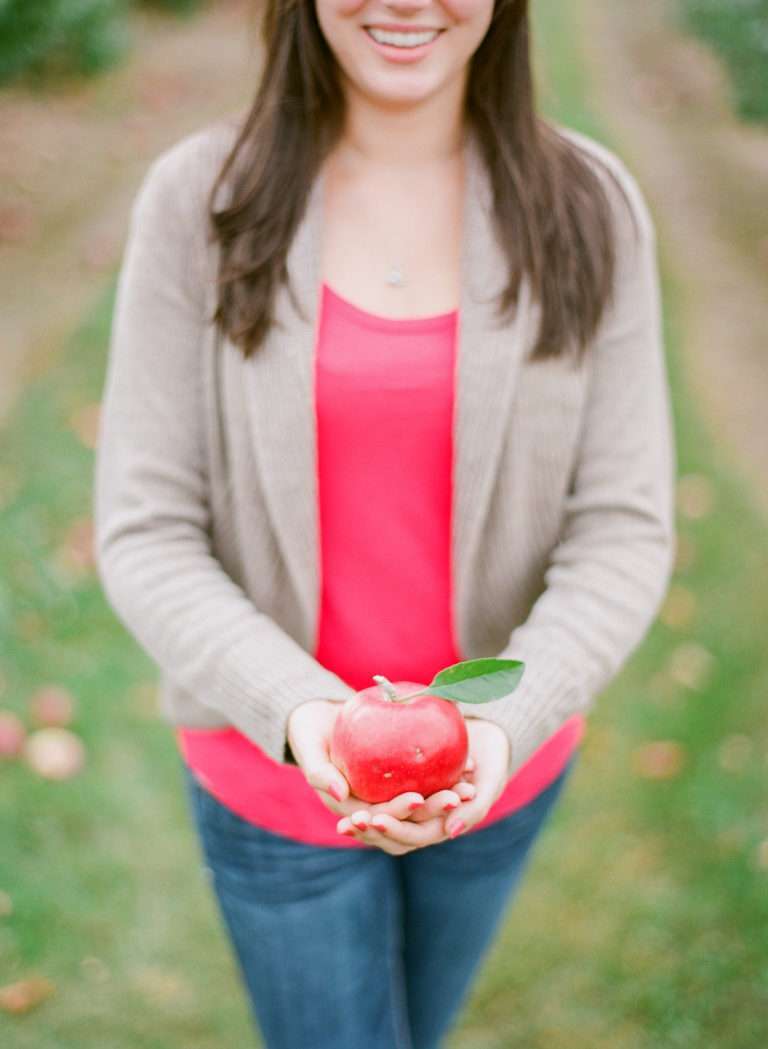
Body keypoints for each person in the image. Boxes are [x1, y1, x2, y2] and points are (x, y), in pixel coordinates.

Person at [94, 0, 676, 1046]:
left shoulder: (592, 205)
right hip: (270, 781)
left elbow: (624, 526)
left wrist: (506, 721)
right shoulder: (201, 200)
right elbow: (145, 526)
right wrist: (305, 715)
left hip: (502, 771)